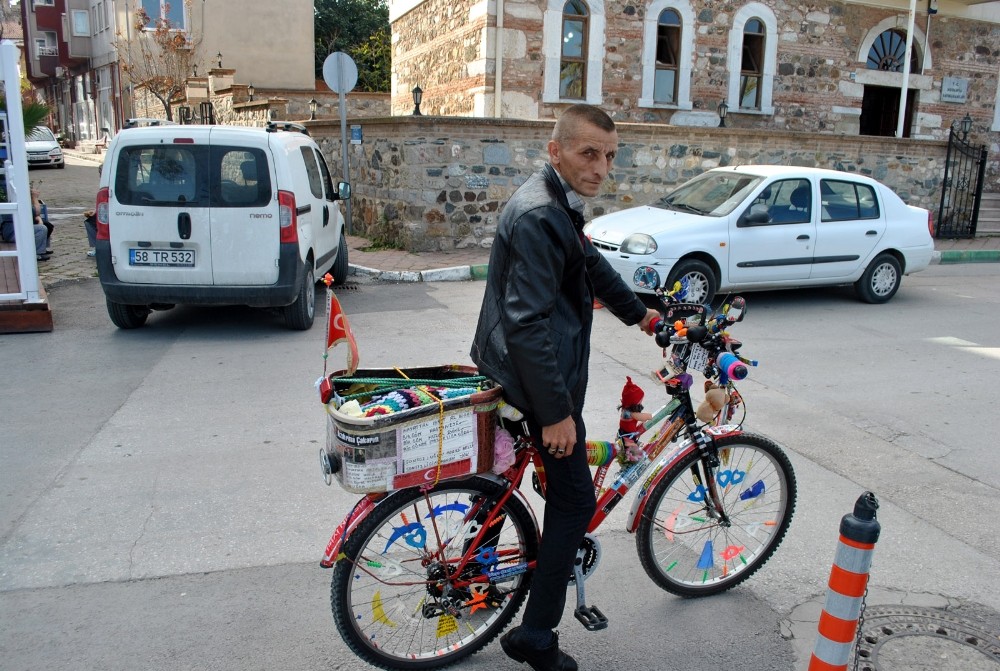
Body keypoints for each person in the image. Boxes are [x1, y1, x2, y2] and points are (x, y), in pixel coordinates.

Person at [470, 104, 659, 671]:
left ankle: (475, 569)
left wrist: (642, 316)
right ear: (556, 151)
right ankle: (535, 637)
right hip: (533, 381)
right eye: (588, 154)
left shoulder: (555, 203)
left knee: (508, 474)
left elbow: (588, 263)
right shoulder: (540, 215)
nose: (601, 168)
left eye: (609, 156)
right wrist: (555, 414)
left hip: (516, 369)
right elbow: (527, 324)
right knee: (575, 499)